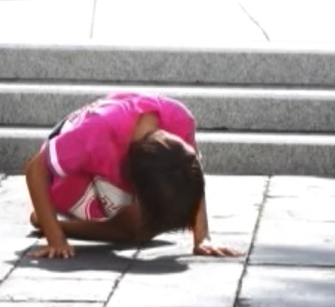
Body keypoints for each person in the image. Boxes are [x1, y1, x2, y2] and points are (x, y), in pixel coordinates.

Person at [24, 92, 242, 259]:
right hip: (65, 179)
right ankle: (47, 218)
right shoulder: (96, 135)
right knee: (142, 225)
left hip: (114, 158)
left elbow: (191, 175)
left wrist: (202, 238)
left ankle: (44, 220)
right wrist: (56, 240)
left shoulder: (180, 120)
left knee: (144, 229)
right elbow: (35, 169)